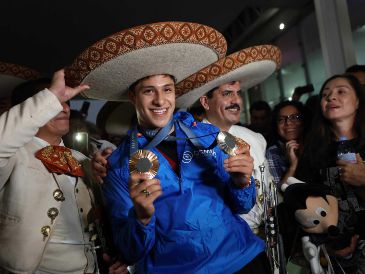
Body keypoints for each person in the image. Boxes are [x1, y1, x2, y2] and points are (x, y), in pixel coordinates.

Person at [79, 22, 267, 274]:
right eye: (148, 91)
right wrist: (142, 217)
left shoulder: (211, 135)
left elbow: (243, 205)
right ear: (133, 97)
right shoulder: (119, 166)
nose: (160, 100)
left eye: (167, 89)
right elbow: (130, 250)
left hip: (243, 259)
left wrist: (243, 183)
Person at [0, 70, 127, 274]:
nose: (66, 108)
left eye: (67, 102)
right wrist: (49, 98)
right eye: (56, 101)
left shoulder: (83, 160)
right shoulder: (11, 156)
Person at [175, 45, 281, 236]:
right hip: (224, 239)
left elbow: (268, 185)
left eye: (238, 93)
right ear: (205, 102)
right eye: (227, 94)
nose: (236, 100)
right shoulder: (190, 144)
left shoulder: (255, 139)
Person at [295, 74, 365, 273]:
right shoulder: (312, 150)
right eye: (325, 94)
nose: (331, 97)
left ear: (358, 101)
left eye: (341, 91)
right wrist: (324, 240)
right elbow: (303, 202)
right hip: (333, 252)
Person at [266, 100, 309, 190]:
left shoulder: (316, 144)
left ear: (304, 121)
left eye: (294, 117)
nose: (288, 123)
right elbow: (280, 193)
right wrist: (293, 165)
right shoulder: (273, 152)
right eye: (281, 119)